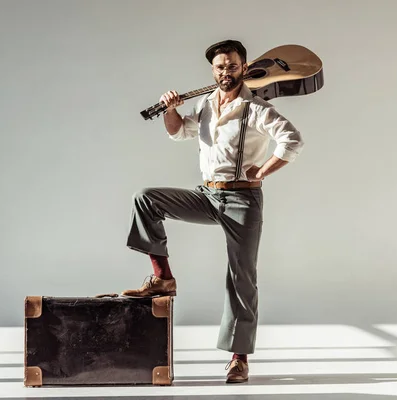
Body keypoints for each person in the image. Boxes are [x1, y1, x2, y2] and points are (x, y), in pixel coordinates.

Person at [123, 39, 304, 383]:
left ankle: (239, 358)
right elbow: (180, 133)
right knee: (146, 198)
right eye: (220, 67)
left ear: (245, 68)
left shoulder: (257, 108)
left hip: (243, 200)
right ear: (213, 70)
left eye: (232, 66)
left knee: (241, 278)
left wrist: (263, 171)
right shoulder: (207, 103)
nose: (226, 72)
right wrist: (171, 110)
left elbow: (292, 140)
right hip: (207, 195)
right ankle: (163, 277)